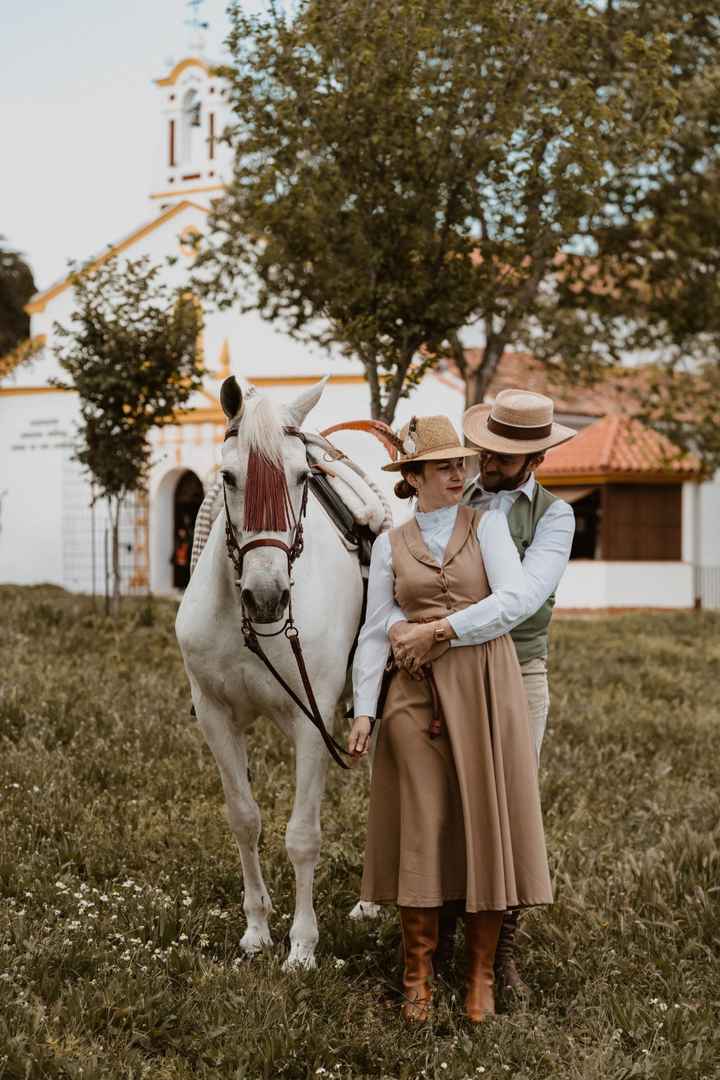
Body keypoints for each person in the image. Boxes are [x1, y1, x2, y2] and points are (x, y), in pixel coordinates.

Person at [348, 414, 553, 1024]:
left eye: (461, 463)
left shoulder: (487, 528)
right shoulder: (391, 543)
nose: (460, 473)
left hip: (485, 684)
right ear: (412, 477)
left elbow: (513, 601)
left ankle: (481, 975)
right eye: (444, 466)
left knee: (483, 818)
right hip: (413, 695)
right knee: (422, 821)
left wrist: (441, 629)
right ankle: (417, 975)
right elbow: (375, 627)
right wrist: (363, 708)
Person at [387, 389, 577, 993]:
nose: (485, 465)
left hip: (515, 670)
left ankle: (501, 948)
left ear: (534, 459)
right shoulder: (453, 498)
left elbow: (521, 603)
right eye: (483, 451)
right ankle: (439, 936)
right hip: (436, 673)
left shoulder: (554, 516)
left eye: (501, 457)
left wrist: (437, 631)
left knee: (503, 803)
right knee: (441, 799)